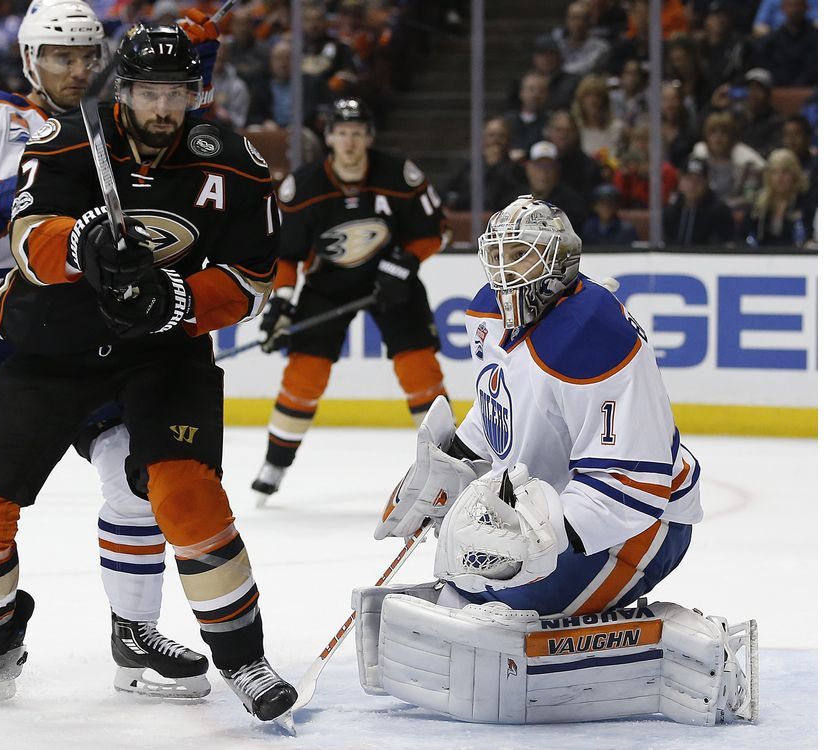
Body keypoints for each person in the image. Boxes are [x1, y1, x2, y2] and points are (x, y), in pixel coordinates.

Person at [0, 23, 297, 725]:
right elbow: (30, 245)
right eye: (150, 92)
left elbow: (250, 279)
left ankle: (243, 657)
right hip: (55, 342)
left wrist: (177, 298)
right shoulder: (64, 140)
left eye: (176, 93)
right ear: (123, 91)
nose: (162, 107)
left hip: (162, 349)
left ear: (195, 93)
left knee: (186, 496)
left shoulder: (234, 165)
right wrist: (86, 243)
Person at [0, 2, 221, 703]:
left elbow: (180, 127)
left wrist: (197, 44)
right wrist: (5, 197)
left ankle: (136, 635)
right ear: (30, 58)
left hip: (80, 333)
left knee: (132, 475)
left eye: (88, 57)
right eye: (61, 56)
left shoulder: (106, 130)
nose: (76, 69)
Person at [351, 194, 757, 727]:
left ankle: (666, 647)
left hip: (641, 525)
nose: (504, 271)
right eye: (497, 255)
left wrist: (542, 539)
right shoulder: (492, 314)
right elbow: (504, 405)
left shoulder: (593, 337)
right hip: (553, 508)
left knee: (500, 602)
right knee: (465, 579)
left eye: (521, 255)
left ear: (561, 261)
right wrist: (451, 464)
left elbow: (629, 485)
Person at [250, 98, 450, 505]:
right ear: (329, 138)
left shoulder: (399, 174)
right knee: (304, 374)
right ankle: (275, 461)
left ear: (369, 137)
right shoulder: (302, 187)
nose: (350, 141)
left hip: (391, 280)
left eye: (357, 132)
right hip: (328, 287)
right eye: (342, 132)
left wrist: (405, 261)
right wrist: (282, 303)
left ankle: (448, 464)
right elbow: (286, 255)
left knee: (420, 369)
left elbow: (437, 231)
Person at [741, 148, 813, 247]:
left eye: (785, 172)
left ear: (794, 174)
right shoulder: (758, 204)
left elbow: (810, 235)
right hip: (761, 257)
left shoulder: (805, 203)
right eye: (774, 172)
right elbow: (744, 235)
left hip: (795, 257)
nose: (779, 178)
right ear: (768, 175)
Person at [663, 156, 735, 245]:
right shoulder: (670, 212)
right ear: (680, 181)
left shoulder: (720, 212)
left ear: (707, 182)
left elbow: (723, 246)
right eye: (688, 179)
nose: (693, 184)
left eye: (698, 179)